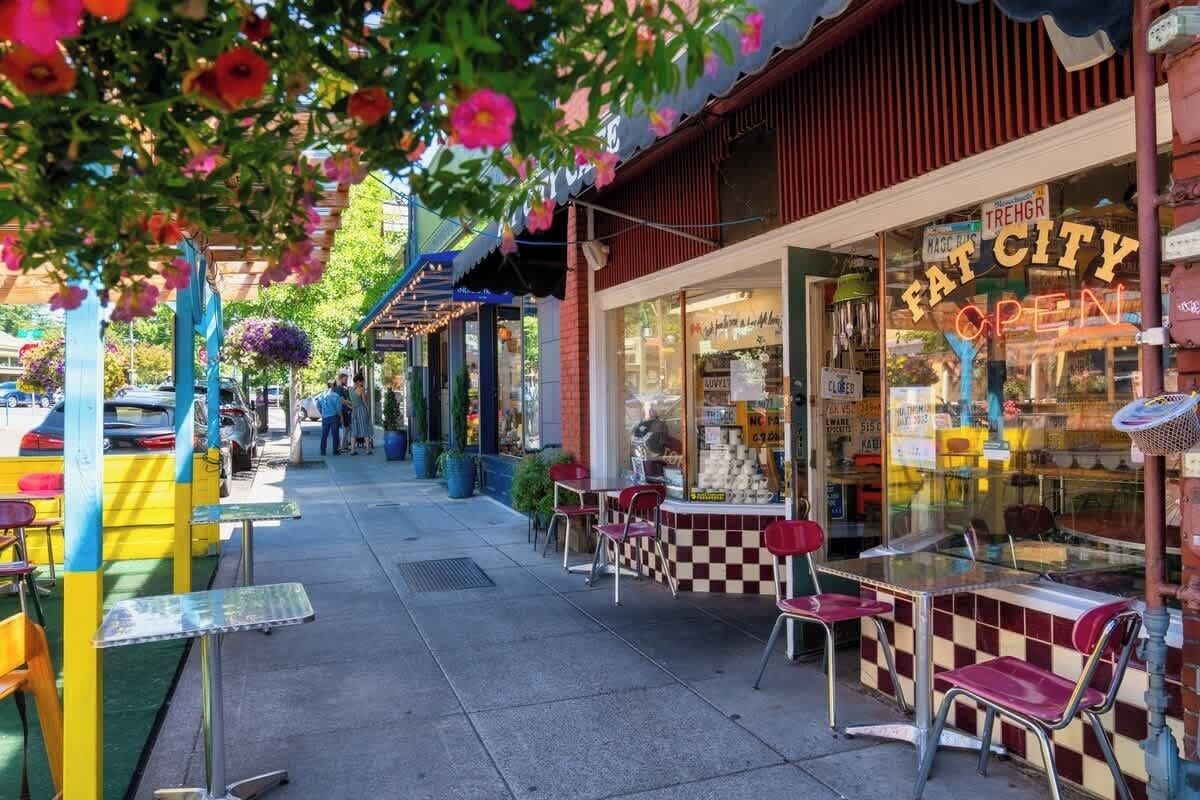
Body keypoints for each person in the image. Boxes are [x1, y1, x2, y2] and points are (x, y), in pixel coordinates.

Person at [316, 379, 344, 456]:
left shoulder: (322, 395)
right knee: (335, 435)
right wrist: (341, 417)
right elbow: (338, 409)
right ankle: (335, 451)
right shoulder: (336, 396)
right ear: (334, 386)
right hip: (334, 417)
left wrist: (322, 412)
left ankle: (323, 451)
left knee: (324, 435)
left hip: (325, 417)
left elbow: (318, 406)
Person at [348, 373, 373, 455]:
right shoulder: (361, 389)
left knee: (354, 430)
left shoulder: (350, 389)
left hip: (354, 411)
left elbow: (352, 402)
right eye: (362, 381)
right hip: (361, 410)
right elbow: (364, 401)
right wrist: (368, 410)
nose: (363, 383)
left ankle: (352, 450)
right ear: (358, 381)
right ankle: (368, 449)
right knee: (365, 428)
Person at [334, 372, 352, 452]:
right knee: (344, 429)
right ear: (341, 379)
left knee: (347, 428)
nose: (347, 380)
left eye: (347, 379)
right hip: (343, 411)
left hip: (346, 410)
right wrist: (351, 404)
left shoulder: (344, 388)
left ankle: (344, 445)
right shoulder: (339, 388)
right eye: (345, 379)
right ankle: (342, 447)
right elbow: (341, 400)